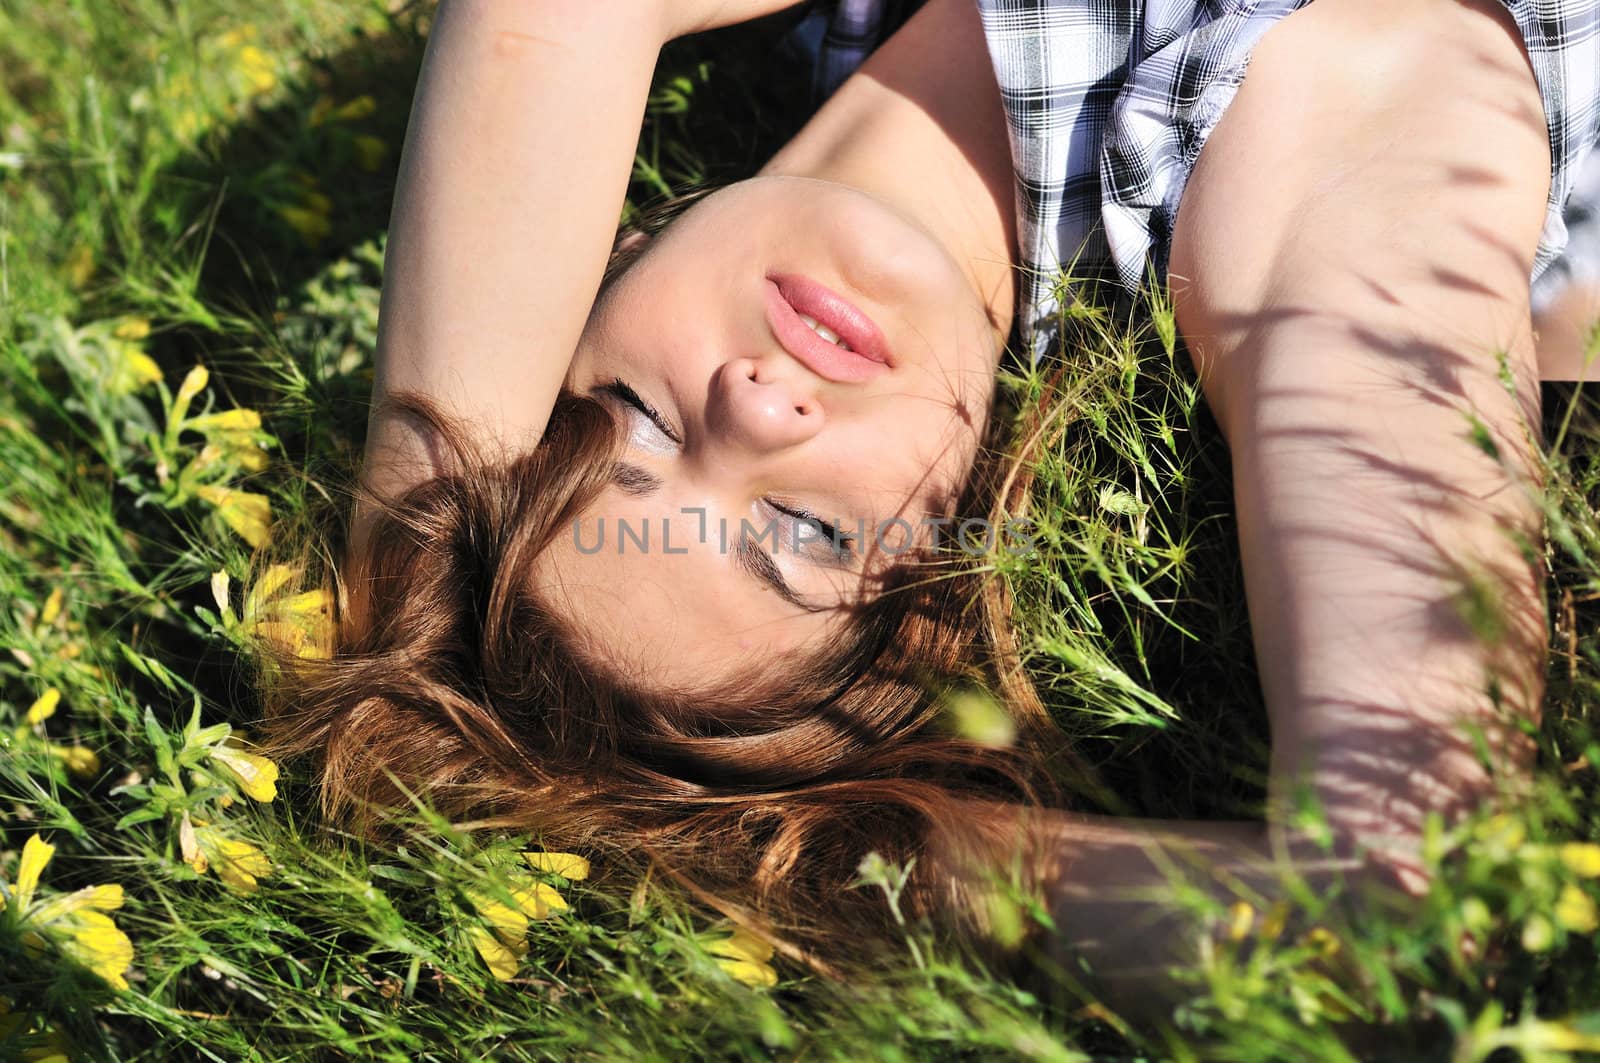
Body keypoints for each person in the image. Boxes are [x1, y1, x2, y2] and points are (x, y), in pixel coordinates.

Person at [259, 0, 1597, 996]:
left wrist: (420, 528)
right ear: (950, 577)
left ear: (588, 271)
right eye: (804, 536)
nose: (758, 411)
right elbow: (1403, 906)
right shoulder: (1282, 171)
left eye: (639, 418)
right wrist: (840, 858)